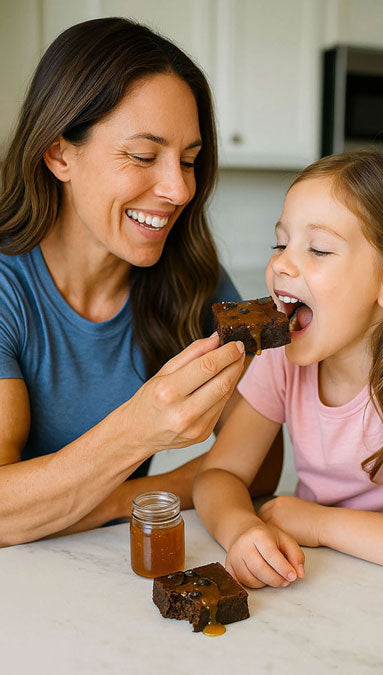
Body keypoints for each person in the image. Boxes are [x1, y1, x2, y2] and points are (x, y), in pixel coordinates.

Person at [0, 18, 282, 547]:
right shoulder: (6, 290)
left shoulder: (193, 277)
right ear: (60, 153)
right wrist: (139, 429)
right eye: (144, 156)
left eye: (191, 161)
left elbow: (260, 460)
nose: (178, 189)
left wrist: (109, 501)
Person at [193, 149, 383, 586]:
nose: (280, 264)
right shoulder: (283, 361)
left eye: (318, 249)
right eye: (281, 243)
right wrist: (241, 528)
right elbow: (219, 475)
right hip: (317, 583)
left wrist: (320, 523)